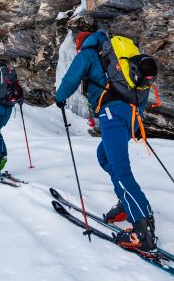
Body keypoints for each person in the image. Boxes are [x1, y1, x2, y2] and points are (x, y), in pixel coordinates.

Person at [54, 30, 159, 252]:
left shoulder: (89, 54)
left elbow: (71, 79)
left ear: (81, 44)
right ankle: (127, 202)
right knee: (104, 156)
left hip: (113, 115)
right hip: (132, 114)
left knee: (121, 170)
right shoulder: (118, 54)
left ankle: (142, 231)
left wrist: (59, 98)